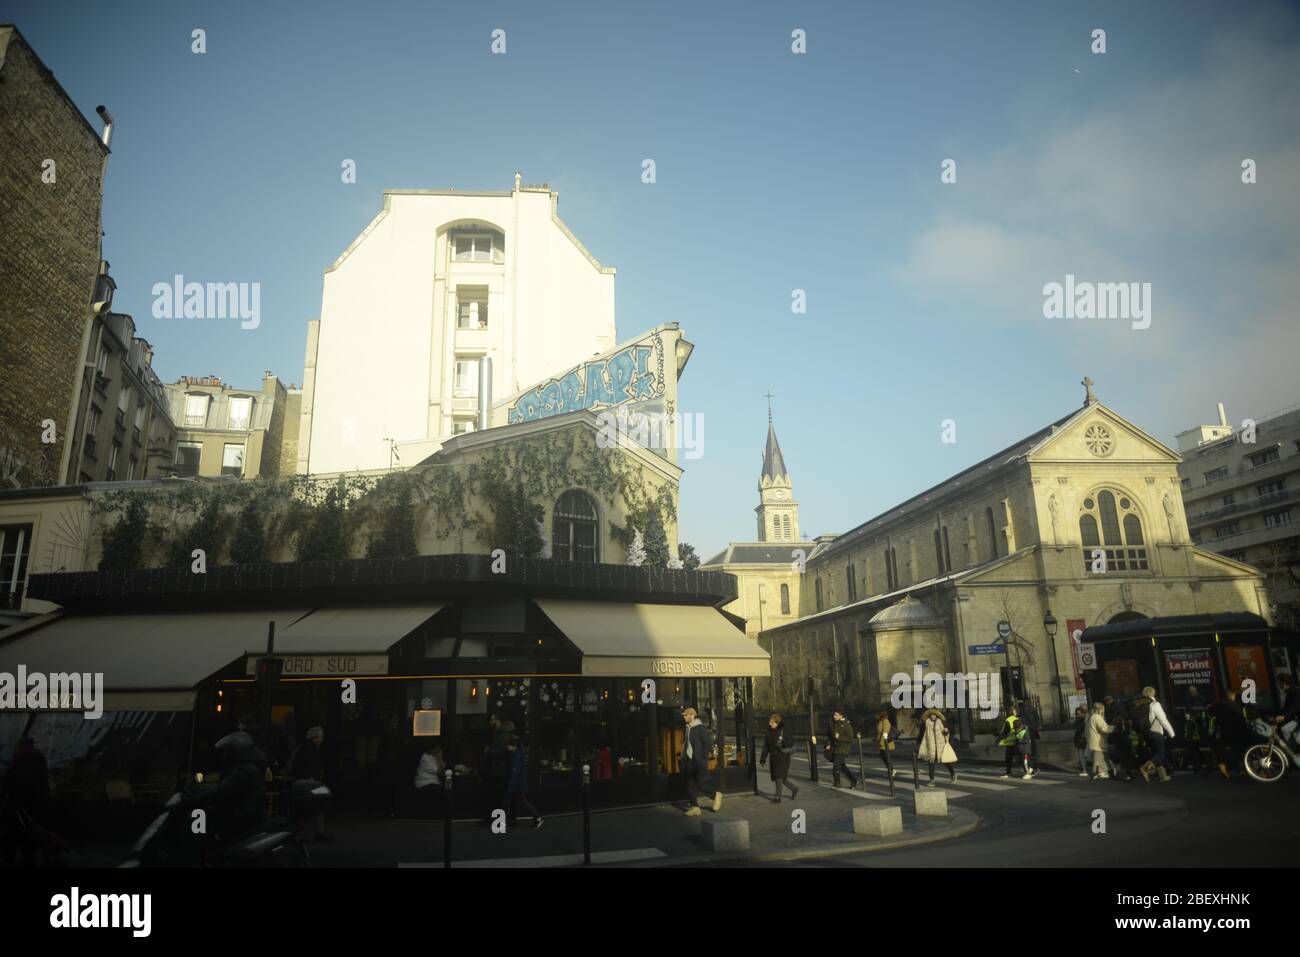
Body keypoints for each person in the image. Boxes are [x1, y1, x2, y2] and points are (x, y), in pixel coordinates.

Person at [288, 726, 330, 841]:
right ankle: (315, 833)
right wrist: (310, 777)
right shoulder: (309, 749)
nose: (322, 739)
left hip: (305, 781)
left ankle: (308, 833)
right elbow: (302, 767)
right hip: (307, 782)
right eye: (320, 737)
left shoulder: (306, 748)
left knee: (311, 807)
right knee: (314, 807)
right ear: (314, 738)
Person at [680, 707, 721, 816]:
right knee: (690, 785)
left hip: (698, 761)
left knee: (700, 783)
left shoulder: (700, 728)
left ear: (692, 716)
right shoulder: (687, 728)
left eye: (685, 715)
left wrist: (702, 759)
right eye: (683, 715)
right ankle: (695, 807)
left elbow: (706, 743)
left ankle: (715, 795)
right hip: (688, 760)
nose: (684, 717)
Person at [504, 727, 543, 830]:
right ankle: (511, 820)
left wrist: (510, 789)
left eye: (509, 746)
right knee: (521, 802)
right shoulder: (518, 752)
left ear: (513, 745)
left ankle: (537, 817)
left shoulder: (516, 755)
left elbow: (515, 772)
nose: (507, 748)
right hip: (519, 783)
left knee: (521, 802)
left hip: (517, 784)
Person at [1211, 687, 1252, 779]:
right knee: (1242, 749)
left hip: (1223, 732)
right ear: (1232, 695)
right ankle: (1244, 768)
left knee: (1223, 750)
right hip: (1236, 732)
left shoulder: (1217, 705)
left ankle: (1223, 767)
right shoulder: (1233, 705)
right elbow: (1240, 719)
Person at [1137, 687, 1176, 783]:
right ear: (1153, 693)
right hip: (1155, 731)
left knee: (1155, 753)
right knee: (1160, 753)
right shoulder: (1155, 704)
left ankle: (1163, 776)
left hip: (1146, 733)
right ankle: (1145, 768)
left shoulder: (1140, 704)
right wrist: (1172, 733)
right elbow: (1163, 720)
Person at [760, 712, 799, 803]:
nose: (770, 724)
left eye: (772, 722)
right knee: (782, 778)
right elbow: (766, 746)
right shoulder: (768, 731)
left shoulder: (783, 730)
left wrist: (783, 742)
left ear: (777, 722)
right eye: (770, 722)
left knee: (778, 776)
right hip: (774, 757)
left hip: (783, 757)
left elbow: (791, 742)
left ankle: (778, 797)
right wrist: (763, 758)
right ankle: (794, 788)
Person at [917, 708, 958, 785]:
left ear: (936, 715)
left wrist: (946, 731)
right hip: (931, 746)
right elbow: (922, 734)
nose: (932, 716)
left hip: (940, 745)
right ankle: (932, 780)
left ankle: (953, 774)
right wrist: (918, 743)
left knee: (946, 762)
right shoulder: (927, 723)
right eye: (931, 715)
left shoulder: (940, 722)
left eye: (934, 715)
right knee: (931, 763)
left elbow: (945, 733)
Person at [996, 706, 1032, 779]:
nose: (1015, 712)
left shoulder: (1008, 720)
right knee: (1021, 758)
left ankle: (1009, 772)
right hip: (1018, 742)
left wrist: (998, 740)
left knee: (1009, 758)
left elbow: (1004, 732)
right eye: (1015, 711)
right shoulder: (1019, 719)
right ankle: (1029, 769)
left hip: (1011, 743)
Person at [413, 743, 446, 819]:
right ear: (432, 749)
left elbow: (443, 767)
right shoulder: (425, 757)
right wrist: (440, 757)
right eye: (437, 749)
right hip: (425, 784)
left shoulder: (434, 757)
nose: (438, 751)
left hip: (434, 783)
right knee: (439, 791)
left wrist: (440, 759)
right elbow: (439, 771)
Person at [828, 708, 858, 789]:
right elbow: (830, 736)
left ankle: (837, 782)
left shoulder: (846, 725)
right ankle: (853, 780)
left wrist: (839, 737)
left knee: (836, 766)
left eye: (836, 715)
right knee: (842, 767)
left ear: (841, 716)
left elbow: (850, 738)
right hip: (836, 748)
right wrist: (829, 744)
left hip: (843, 749)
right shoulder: (835, 723)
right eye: (834, 715)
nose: (834, 716)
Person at [1086, 702, 1116, 779]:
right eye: (1103, 709)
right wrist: (1115, 727)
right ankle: (1102, 772)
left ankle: (1097, 772)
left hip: (1093, 740)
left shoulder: (1091, 717)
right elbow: (1104, 728)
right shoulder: (1097, 717)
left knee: (1098, 758)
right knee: (1102, 757)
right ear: (1101, 709)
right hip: (1099, 741)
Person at [875, 710, 898, 780]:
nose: (876, 716)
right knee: (884, 757)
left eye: (877, 714)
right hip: (883, 743)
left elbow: (885, 732)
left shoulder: (885, 721)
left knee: (886, 757)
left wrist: (882, 743)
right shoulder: (881, 721)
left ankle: (892, 770)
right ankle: (890, 770)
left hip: (886, 744)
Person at [1072, 705, 1090, 777]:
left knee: (1082, 755)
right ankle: (1084, 769)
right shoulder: (1079, 720)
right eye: (1077, 714)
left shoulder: (1084, 720)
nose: (1078, 715)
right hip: (1080, 739)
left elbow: (1082, 730)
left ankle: (1084, 770)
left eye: (1079, 714)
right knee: (1081, 755)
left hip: (1082, 739)